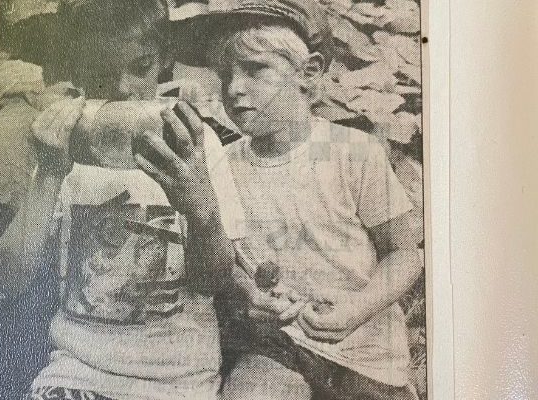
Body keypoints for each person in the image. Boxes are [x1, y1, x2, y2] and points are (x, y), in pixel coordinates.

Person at [0, 0, 246, 399]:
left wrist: (199, 208)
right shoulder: (70, 143)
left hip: (176, 380)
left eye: (140, 67)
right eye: (102, 73)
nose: (121, 88)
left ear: (164, 59)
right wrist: (49, 174)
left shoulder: (193, 142)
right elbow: (10, 279)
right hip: (79, 373)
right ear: (79, 69)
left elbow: (216, 282)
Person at [164, 1, 423, 399]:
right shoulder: (222, 164)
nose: (233, 88)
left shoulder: (351, 151)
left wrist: (360, 306)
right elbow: (228, 258)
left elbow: (405, 254)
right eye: (224, 74)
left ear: (309, 73)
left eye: (255, 69)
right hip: (277, 348)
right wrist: (246, 295)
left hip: (368, 358)